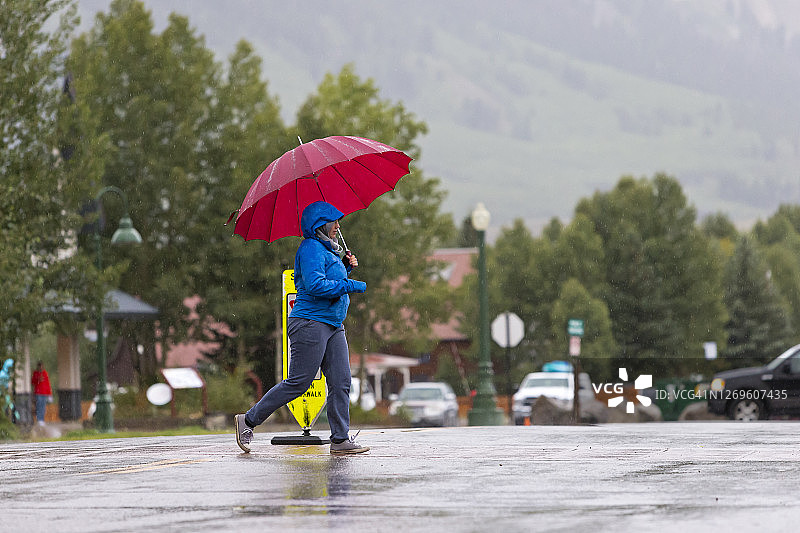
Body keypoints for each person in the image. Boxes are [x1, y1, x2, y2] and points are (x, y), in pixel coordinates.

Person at [235, 201, 369, 455]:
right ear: (320, 225)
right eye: (334, 222)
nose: (338, 226)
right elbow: (316, 286)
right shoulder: (310, 248)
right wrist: (352, 285)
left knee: (341, 382)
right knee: (299, 382)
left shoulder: (327, 250)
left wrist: (346, 267)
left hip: (333, 325)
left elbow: (330, 279)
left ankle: (340, 440)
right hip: (310, 323)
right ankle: (248, 420)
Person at [31, 361, 52, 425]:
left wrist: (49, 394)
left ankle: (42, 419)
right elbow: (32, 382)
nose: (41, 367)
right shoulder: (35, 373)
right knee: (39, 406)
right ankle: (39, 419)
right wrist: (38, 380)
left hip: (44, 393)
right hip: (38, 393)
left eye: (42, 366)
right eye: (40, 366)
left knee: (43, 407)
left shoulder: (45, 373)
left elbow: (47, 384)